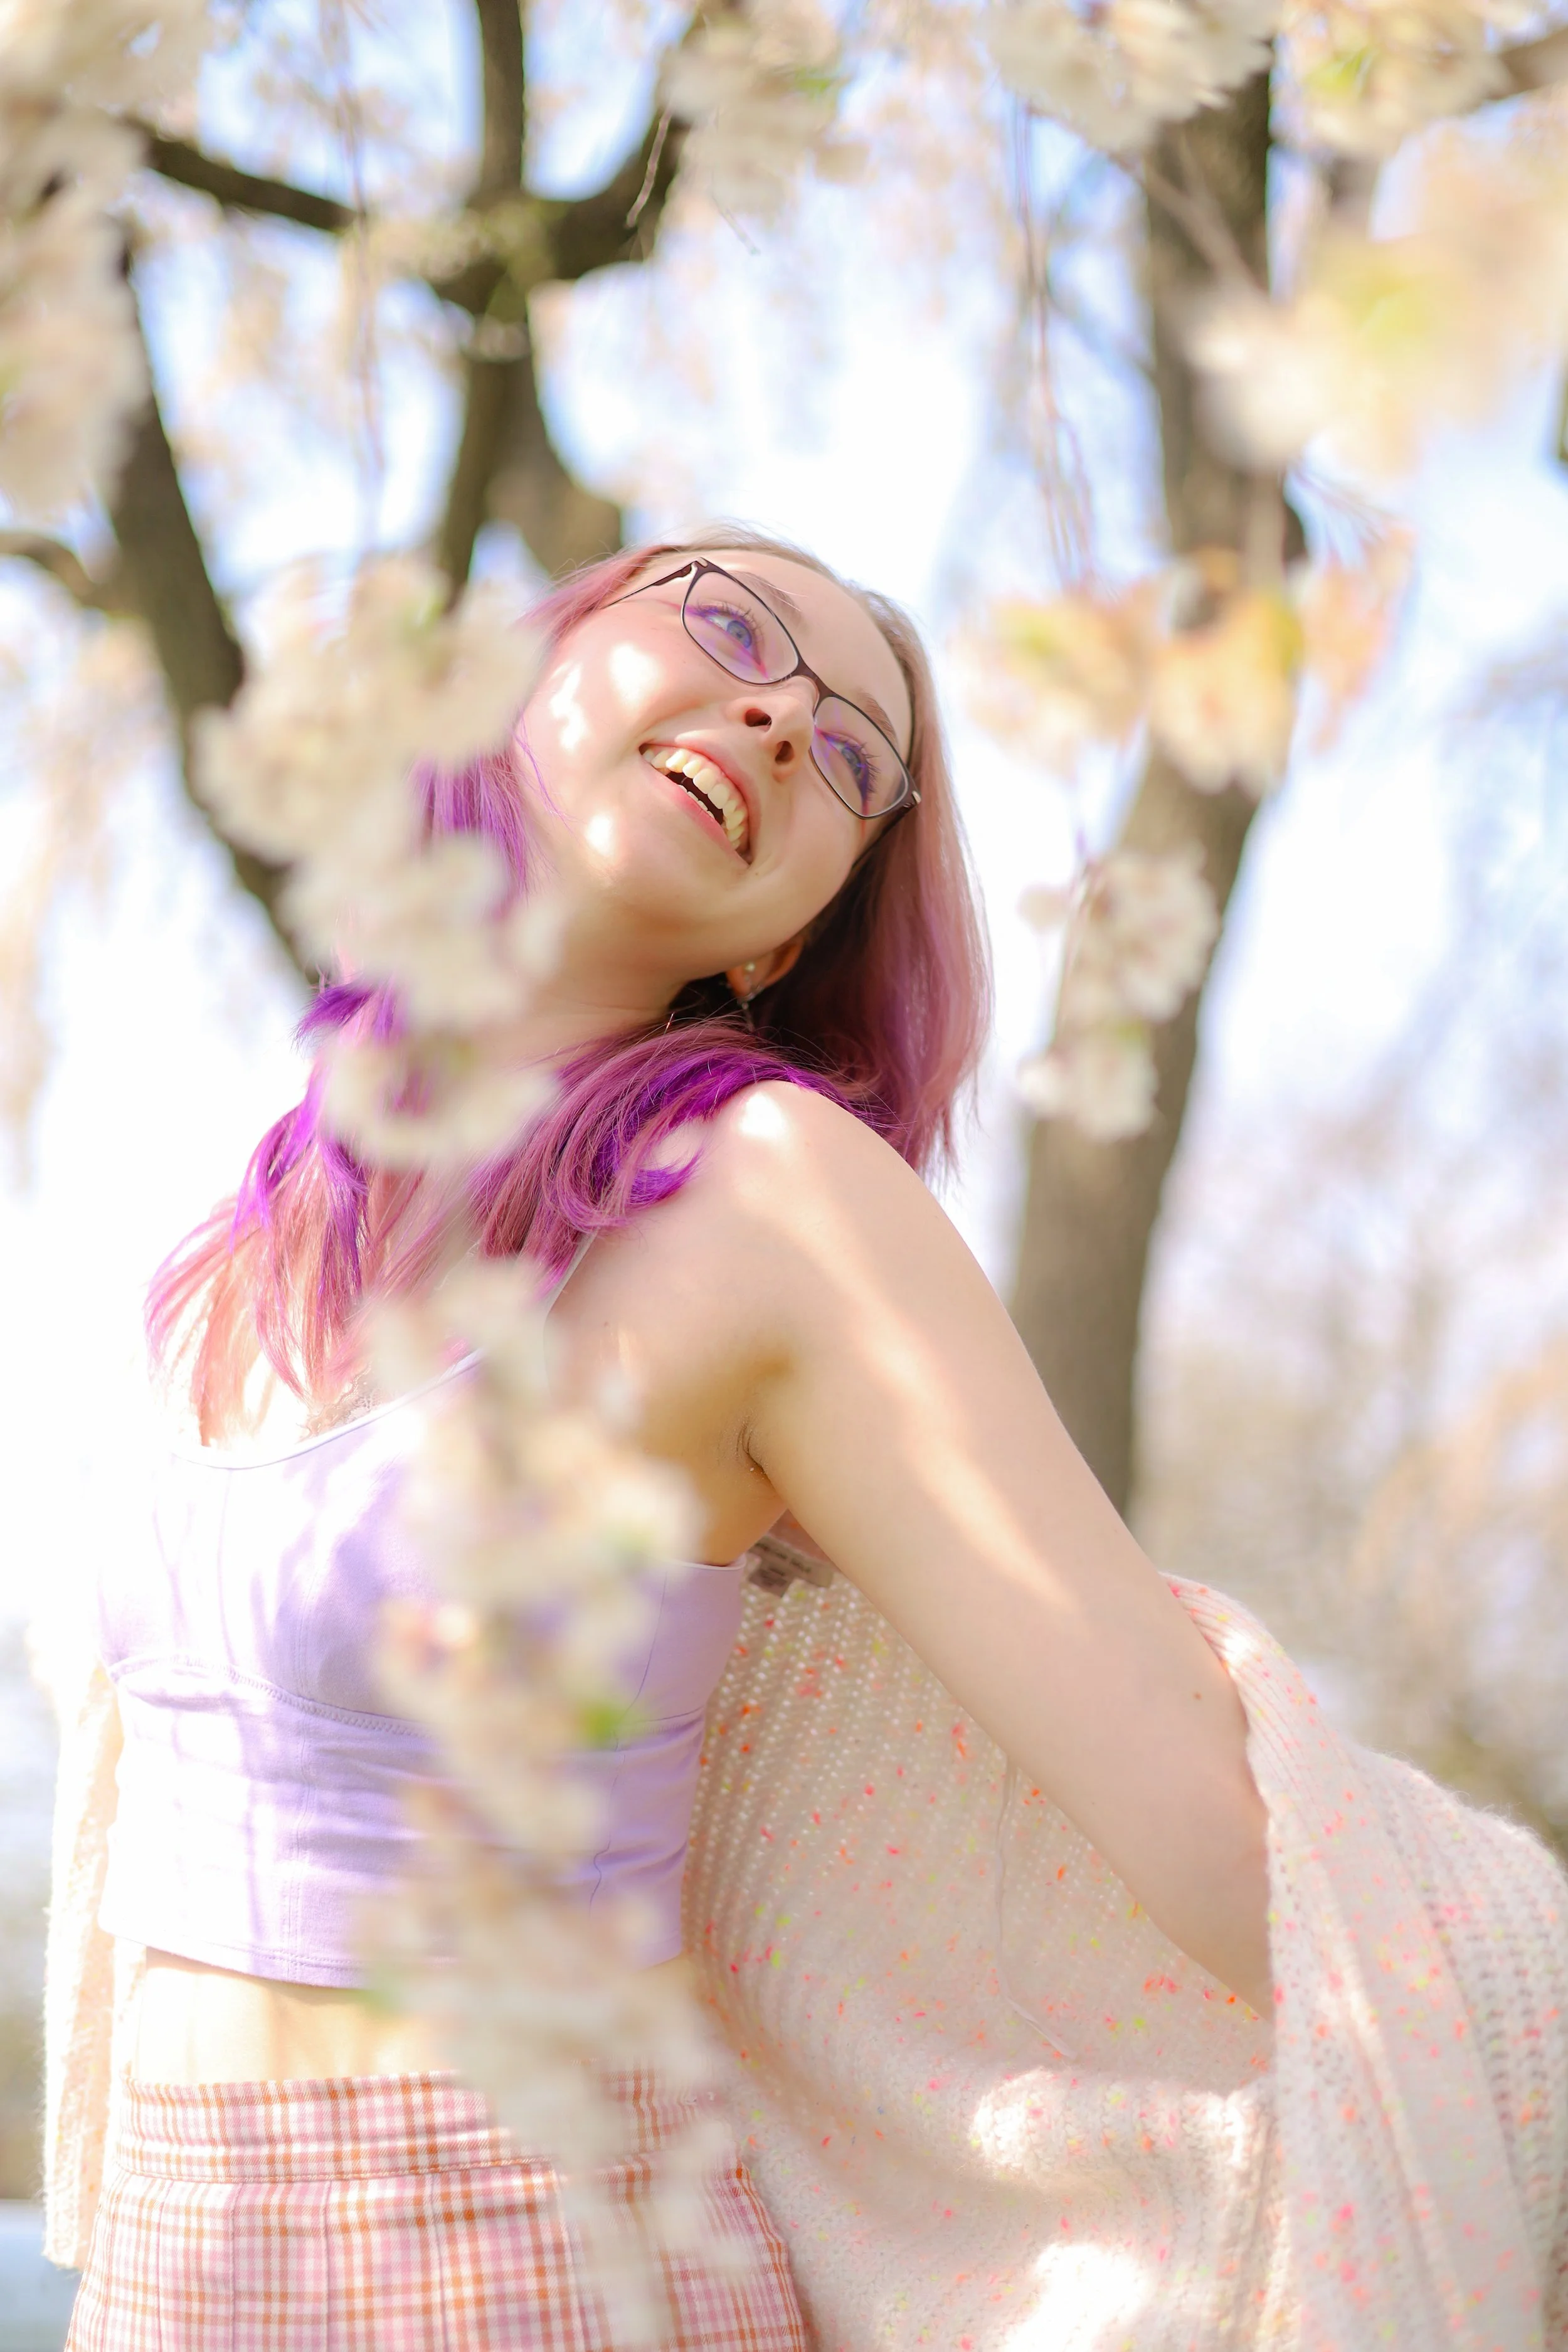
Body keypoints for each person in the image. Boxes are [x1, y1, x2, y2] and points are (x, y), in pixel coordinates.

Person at [42, 530, 1568, 2351]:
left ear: (785, 935)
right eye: (722, 618)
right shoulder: (256, 1236)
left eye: (851, 754)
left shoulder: (768, 1201)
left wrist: (1488, 2008)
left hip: (534, 2256)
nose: (774, 711)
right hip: (176, 2259)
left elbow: (1200, 1803)